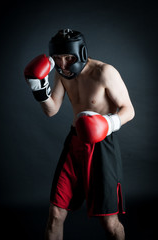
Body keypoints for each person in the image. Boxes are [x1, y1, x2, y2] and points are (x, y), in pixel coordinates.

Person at [24, 29, 135, 240]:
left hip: (102, 145)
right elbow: (51, 110)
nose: (63, 64)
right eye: (57, 59)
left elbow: (129, 110)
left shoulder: (105, 72)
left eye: (68, 58)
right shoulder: (61, 73)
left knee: (109, 221)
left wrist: (107, 123)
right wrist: (39, 88)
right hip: (74, 143)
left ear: (81, 53)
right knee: (56, 213)